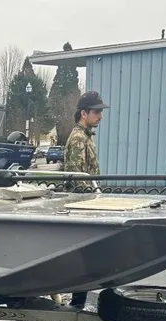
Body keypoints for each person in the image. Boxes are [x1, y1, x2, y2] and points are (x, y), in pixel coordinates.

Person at [53, 91, 109, 308]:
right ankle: (75, 303)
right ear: (84, 113)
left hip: (88, 205)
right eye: (97, 112)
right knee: (81, 260)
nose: (100, 116)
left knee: (84, 260)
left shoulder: (85, 136)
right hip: (82, 207)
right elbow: (78, 180)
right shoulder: (78, 138)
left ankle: (75, 302)